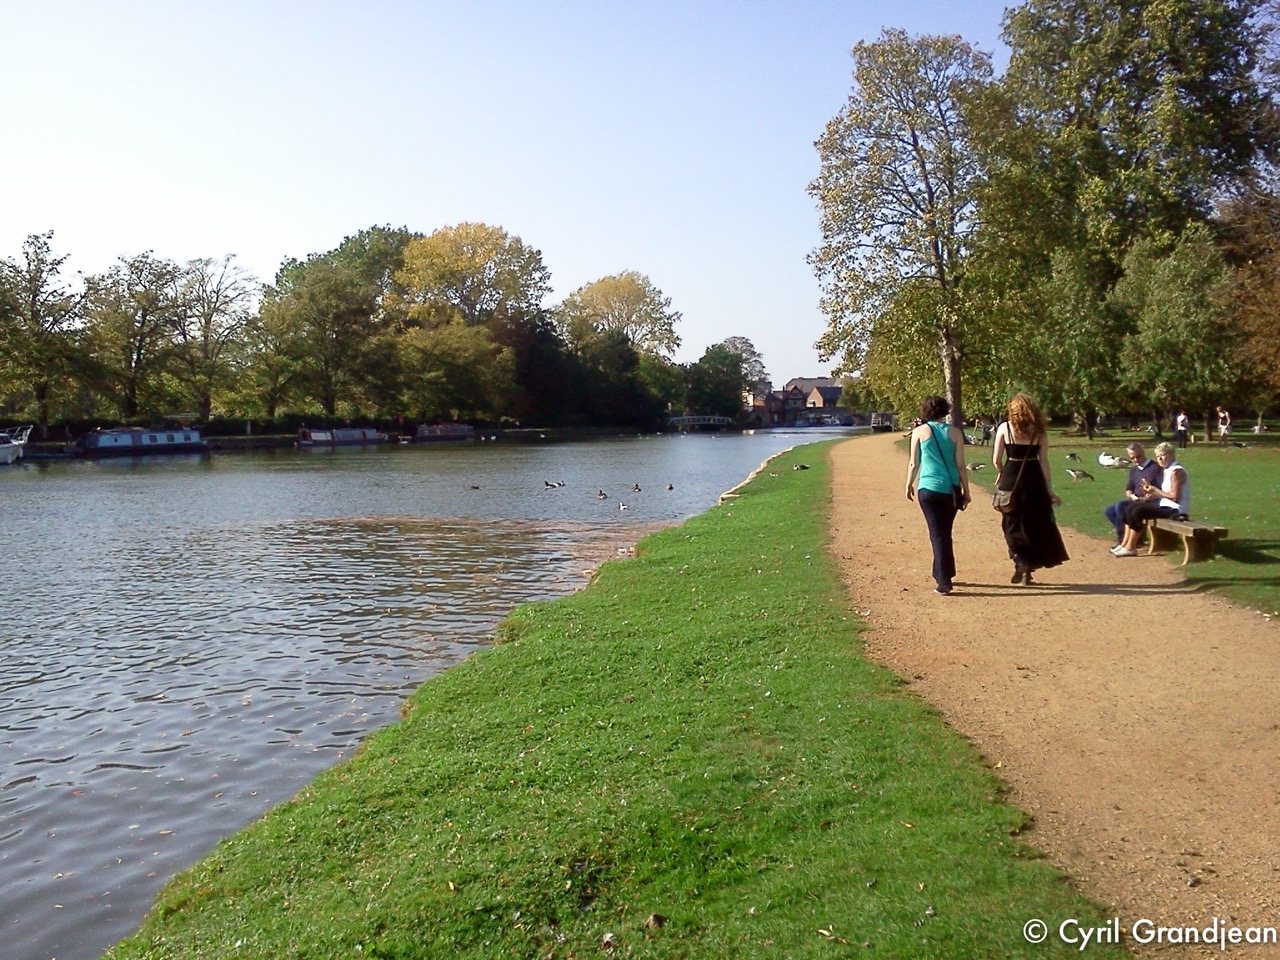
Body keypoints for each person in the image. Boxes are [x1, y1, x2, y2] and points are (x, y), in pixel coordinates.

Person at [992, 393, 1069, 585]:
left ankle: (1020, 559)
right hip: (1033, 480)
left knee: (1011, 523)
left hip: (1011, 478)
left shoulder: (1005, 428)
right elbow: (1044, 462)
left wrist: (1001, 472)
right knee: (1035, 525)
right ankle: (1029, 570)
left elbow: (996, 459)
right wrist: (1048, 489)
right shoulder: (1039, 432)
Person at [905, 395, 971, 595]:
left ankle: (943, 581)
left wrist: (908, 484)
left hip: (928, 488)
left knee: (937, 533)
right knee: (944, 532)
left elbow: (914, 463)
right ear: (945, 411)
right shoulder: (955, 433)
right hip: (950, 489)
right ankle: (944, 572)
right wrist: (966, 491)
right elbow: (961, 465)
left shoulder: (919, 432)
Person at [1110, 442, 1190, 557]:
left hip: (1176, 510)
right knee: (1129, 507)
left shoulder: (1176, 471)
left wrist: (1154, 490)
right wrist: (1151, 491)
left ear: (1172, 455)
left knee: (1137, 512)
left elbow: (1174, 497)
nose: (1160, 458)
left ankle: (1131, 547)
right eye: (1158, 456)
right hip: (1164, 505)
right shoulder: (1167, 469)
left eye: (1163, 455)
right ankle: (1124, 544)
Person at [1103, 442, 1161, 543]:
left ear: (1143, 452)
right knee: (1109, 511)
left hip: (1151, 502)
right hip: (1136, 500)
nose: (1135, 460)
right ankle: (1132, 537)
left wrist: (1151, 495)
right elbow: (1128, 488)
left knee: (1121, 506)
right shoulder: (1134, 470)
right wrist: (1132, 495)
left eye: (1138, 457)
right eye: (1132, 458)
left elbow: (1161, 488)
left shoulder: (1155, 468)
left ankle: (1122, 539)